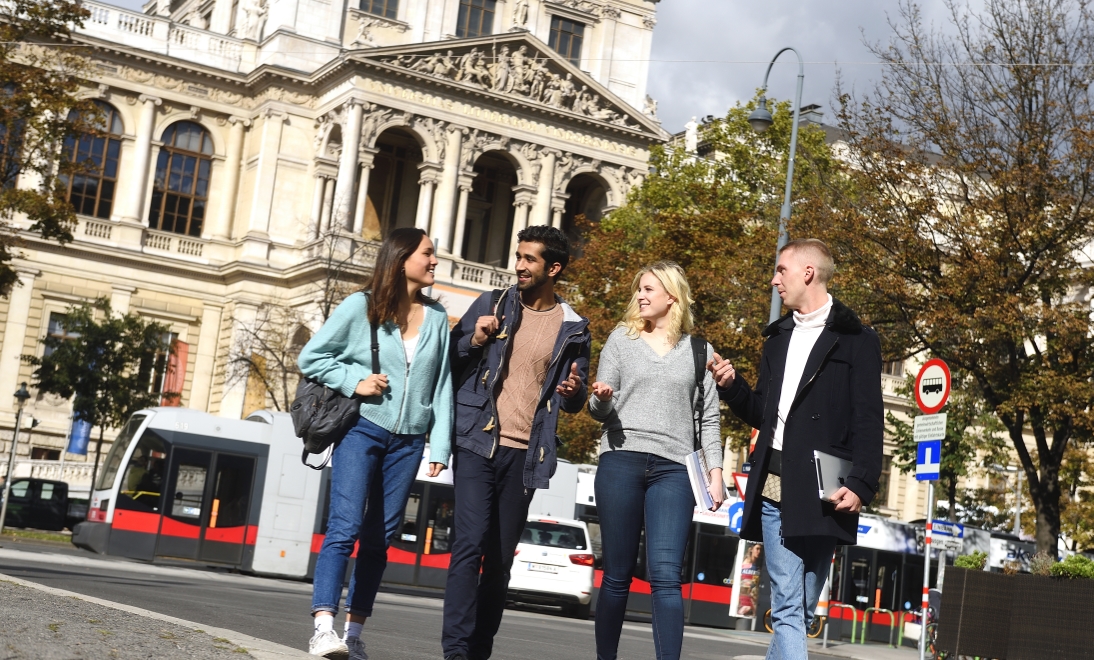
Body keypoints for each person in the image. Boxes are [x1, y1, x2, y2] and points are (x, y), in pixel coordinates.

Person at [708, 238, 883, 660]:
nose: (774, 281)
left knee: (800, 607)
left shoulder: (857, 340)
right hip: (773, 479)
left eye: (781, 270)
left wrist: (860, 483)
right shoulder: (778, 337)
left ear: (808, 272)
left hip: (826, 487)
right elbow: (761, 414)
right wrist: (732, 388)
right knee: (787, 604)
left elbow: (868, 420)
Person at [298, 227, 454, 660]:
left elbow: (441, 384)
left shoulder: (438, 319)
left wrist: (439, 445)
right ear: (403, 258)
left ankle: (353, 634)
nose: (434, 261)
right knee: (344, 527)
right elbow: (311, 357)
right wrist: (355, 381)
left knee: (380, 539)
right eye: (427, 254)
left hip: (409, 441)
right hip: (362, 428)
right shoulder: (360, 307)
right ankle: (323, 628)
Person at [442, 225, 591, 660]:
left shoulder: (575, 327)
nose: (520, 266)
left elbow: (576, 395)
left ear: (554, 268)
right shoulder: (492, 304)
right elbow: (451, 359)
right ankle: (455, 652)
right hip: (476, 441)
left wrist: (575, 391)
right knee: (468, 546)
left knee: (500, 560)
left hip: (527, 453)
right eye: (519, 256)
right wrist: (476, 338)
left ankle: (478, 650)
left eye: (530, 259)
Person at [588, 261, 724, 660]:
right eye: (639, 290)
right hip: (621, 459)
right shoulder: (621, 339)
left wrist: (715, 473)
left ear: (672, 296)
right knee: (616, 576)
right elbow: (598, 409)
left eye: (649, 289)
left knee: (666, 577)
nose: (641, 296)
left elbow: (709, 417)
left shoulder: (700, 351)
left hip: (674, 469)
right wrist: (602, 398)